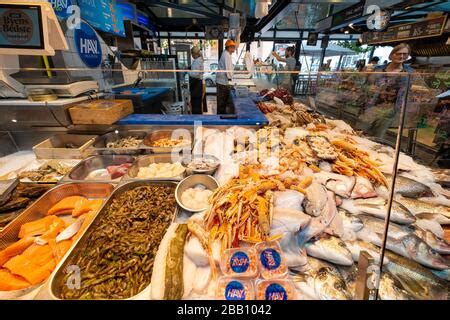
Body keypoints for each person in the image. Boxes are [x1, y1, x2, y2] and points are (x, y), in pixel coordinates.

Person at [360, 43, 414, 138]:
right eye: (398, 53)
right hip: (371, 107)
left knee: (377, 137)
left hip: (390, 111)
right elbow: (364, 86)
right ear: (392, 54)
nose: (401, 56)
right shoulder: (378, 69)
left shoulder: (409, 72)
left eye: (405, 54)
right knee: (361, 132)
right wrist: (369, 88)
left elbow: (409, 90)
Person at [216, 39, 236, 114]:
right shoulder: (226, 55)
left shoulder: (226, 54)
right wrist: (232, 80)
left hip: (222, 82)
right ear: (229, 47)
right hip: (222, 83)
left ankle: (221, 117)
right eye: (233, 47)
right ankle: (220, 120)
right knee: (222, 103)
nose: (234, 49)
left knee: (222, 103)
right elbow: (228, 71)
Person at [189, 46, 204, 114]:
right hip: (197, 84)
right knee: (197, 103)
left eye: (192, 54)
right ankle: (198, 121)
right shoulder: (198, 60)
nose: (191, 55)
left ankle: (197, 121)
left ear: (194, 54)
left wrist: (187, 71)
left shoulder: (197, 61)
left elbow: (195, 74)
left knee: (196, 104)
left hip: (196, 85)